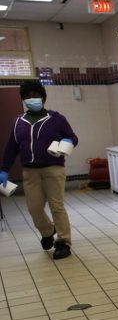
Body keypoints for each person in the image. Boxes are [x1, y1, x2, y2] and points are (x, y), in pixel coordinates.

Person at [0, 80, 79, 259]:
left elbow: (73, 137)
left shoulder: (56, 119)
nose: (32, 99)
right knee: (34, 208)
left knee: (56, 206)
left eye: (35, 95)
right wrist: (4, 169)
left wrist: (68, 141)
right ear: (23, 100)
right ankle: (47, 231)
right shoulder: (18, 122)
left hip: (53, 169)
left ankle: (63, 242)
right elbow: (11, 148)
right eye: (27, 97)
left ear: (43, 97)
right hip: (30, 172)